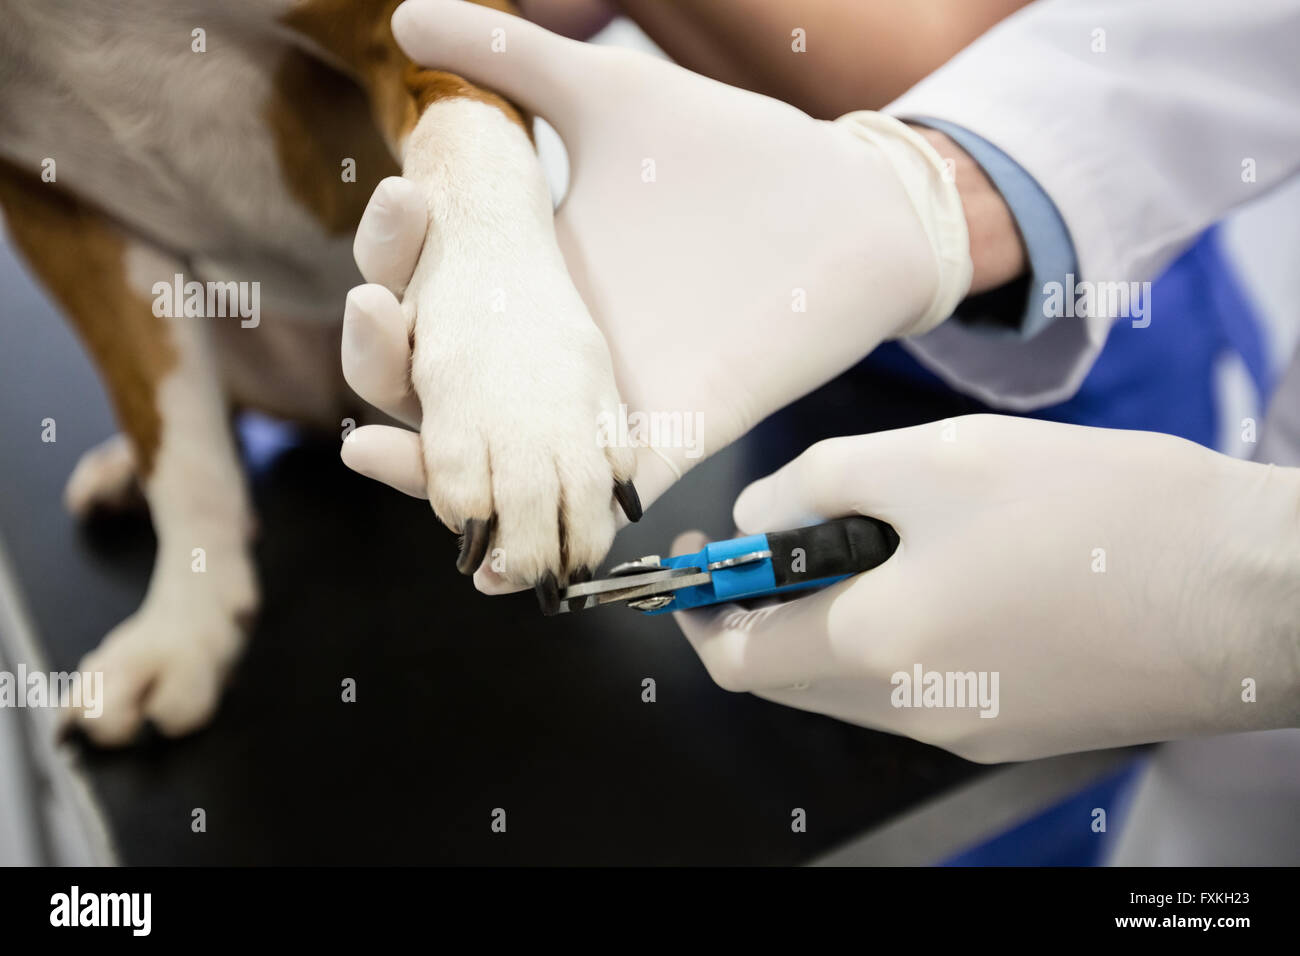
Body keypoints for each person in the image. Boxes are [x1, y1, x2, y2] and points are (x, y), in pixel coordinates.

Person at [341, 0, 1300, 858]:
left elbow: (916, 51)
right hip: (837, 329)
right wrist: (923, 195)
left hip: (1110, 368)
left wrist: (1242, 589)